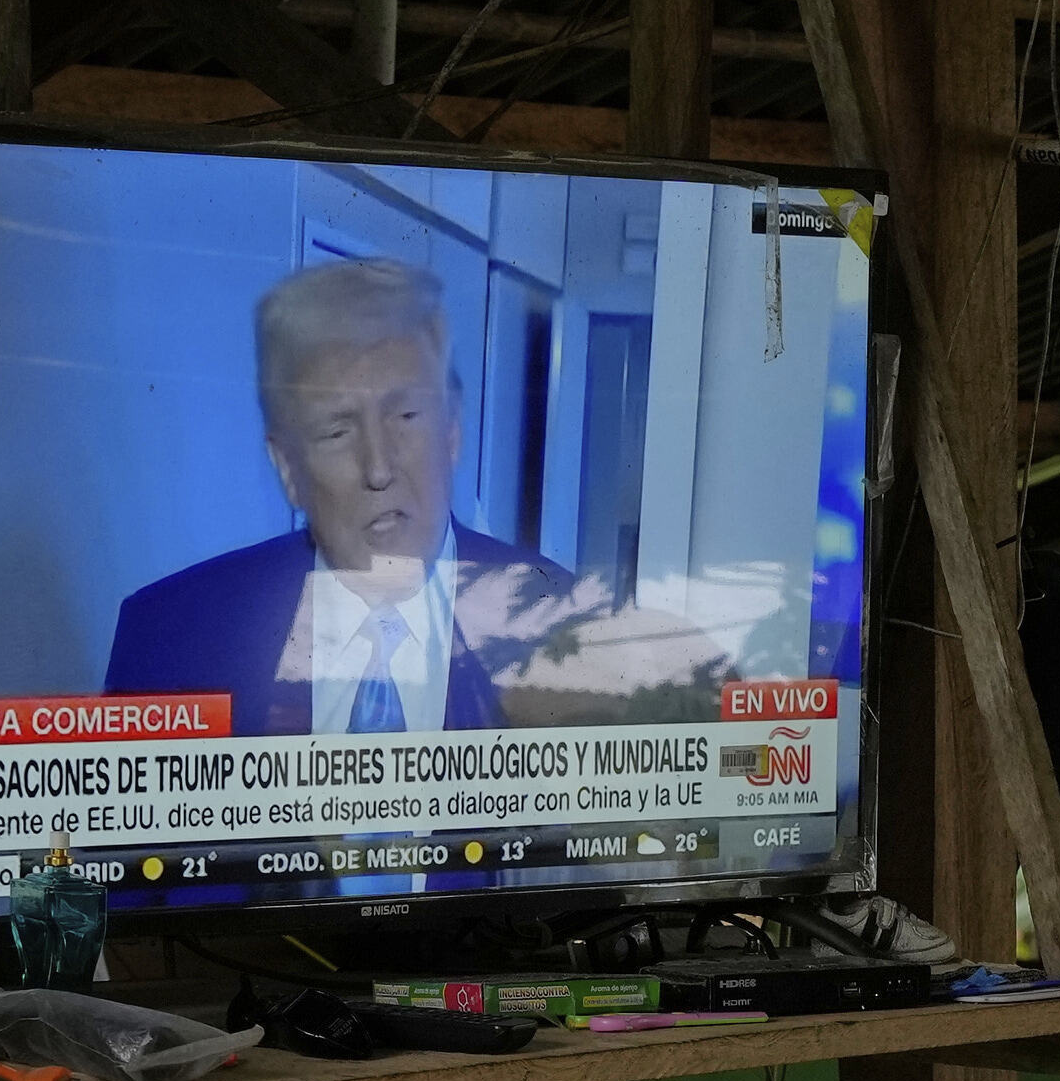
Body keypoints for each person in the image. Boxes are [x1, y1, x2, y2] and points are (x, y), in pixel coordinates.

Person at [100, 252, 730, 731]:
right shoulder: (168, 637)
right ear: (286, 466)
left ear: (452, 430)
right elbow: (96, 892)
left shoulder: (570, 630)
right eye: (337, 430)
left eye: (406, 418)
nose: (380, 467)